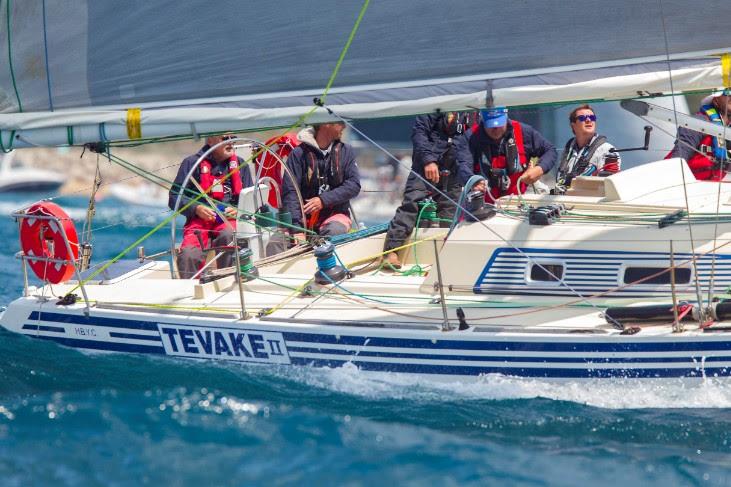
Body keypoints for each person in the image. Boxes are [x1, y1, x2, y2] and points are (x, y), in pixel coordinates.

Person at [382, 112, 475, 268]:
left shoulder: (470, 112)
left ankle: (447, 255)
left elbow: (469, 142)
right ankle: (391, 252)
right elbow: (419, 133)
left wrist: (467, 171)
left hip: (453, 169)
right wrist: (428, 161)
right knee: (411, 205)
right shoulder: (434, 107)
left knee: (452, 213)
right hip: (424, 167)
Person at [168, 134, 254, 279]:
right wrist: (196, 208)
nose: (231, 142)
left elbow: (250, 198)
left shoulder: (240, 165)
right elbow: (174, 197)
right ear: (210, 140)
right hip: (199, 221)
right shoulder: (191, 163)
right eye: (225, 139)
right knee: (188, 254)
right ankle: (191, 293)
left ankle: (229, 282)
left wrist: (239, 209)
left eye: (233, 138)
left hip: (228, 219)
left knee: (228, 236)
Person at [281, 122, 361, 242]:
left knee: (334, 231)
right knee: (276, 242)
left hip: (335, 216)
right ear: (326, 124)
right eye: (340, 123)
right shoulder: (298, 154)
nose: (344, 126)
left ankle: (328, 261)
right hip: (301, 221)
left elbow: (354, 185)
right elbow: (290, 192)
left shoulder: (346, 151)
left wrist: (323, 200)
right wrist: (296, 229)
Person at [457, 107, 557, 201]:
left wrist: (539, 169)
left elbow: (550, 150)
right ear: (483, 121)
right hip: (483, 204)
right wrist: (472, 181)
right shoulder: (470, 137)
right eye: (491, 125)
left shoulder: (523, 131)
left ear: (506, 118)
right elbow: (463, 165)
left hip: (518, 201)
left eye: (499, 124)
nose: (495, 129)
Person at [554, 104, 621, 193]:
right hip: (565, 200)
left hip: (590, 202)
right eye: (582, 118)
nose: (588, 120)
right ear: (573, 125)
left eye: (592, 117)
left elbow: (608, 185)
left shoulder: (608, 150)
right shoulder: (568, 150)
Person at [668, 90, 731, 181]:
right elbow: (680, 154)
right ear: (715, 101)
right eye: (728, 93)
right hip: (682, 182)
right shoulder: (699, 121)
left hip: (709, 186)